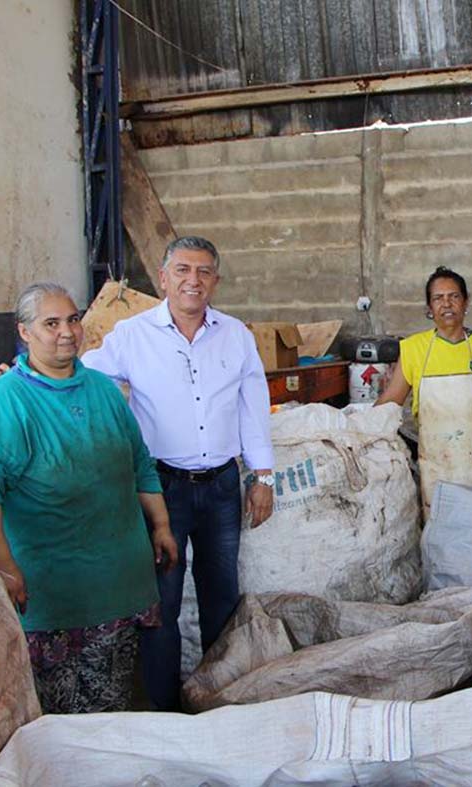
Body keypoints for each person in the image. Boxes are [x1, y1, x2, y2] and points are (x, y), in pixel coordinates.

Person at [0, 283, 178, 714]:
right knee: (62, 720)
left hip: (118, 583)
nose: (66, 332)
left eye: (73, 320)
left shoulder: (102, 389)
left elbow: (138, 462)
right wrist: (2, 562)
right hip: (54, 591)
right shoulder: (5, 399)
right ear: (25, 332)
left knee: (113, 705)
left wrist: (163, 526)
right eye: (51, 323)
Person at [81, 236, 274, 711]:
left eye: (204, 271)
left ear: (216, 281)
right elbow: (87, 377)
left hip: (223, 487)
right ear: (164, 278)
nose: (194, 280)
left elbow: (254, 406)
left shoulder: (236, 335)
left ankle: (218, 697)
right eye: (183, 270)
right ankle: (165, 709)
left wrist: (263, 476)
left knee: (222, 596)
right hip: (160, 489)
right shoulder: (132, 335)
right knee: (162, 603)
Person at [377, 267, 472, 514]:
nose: (447, 304)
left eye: (454, 296)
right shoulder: (414, 350)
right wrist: (355, 426)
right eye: (438, 298)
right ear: (429, 308)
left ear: (466, 302)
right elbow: (390, 403)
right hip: (437, 476)